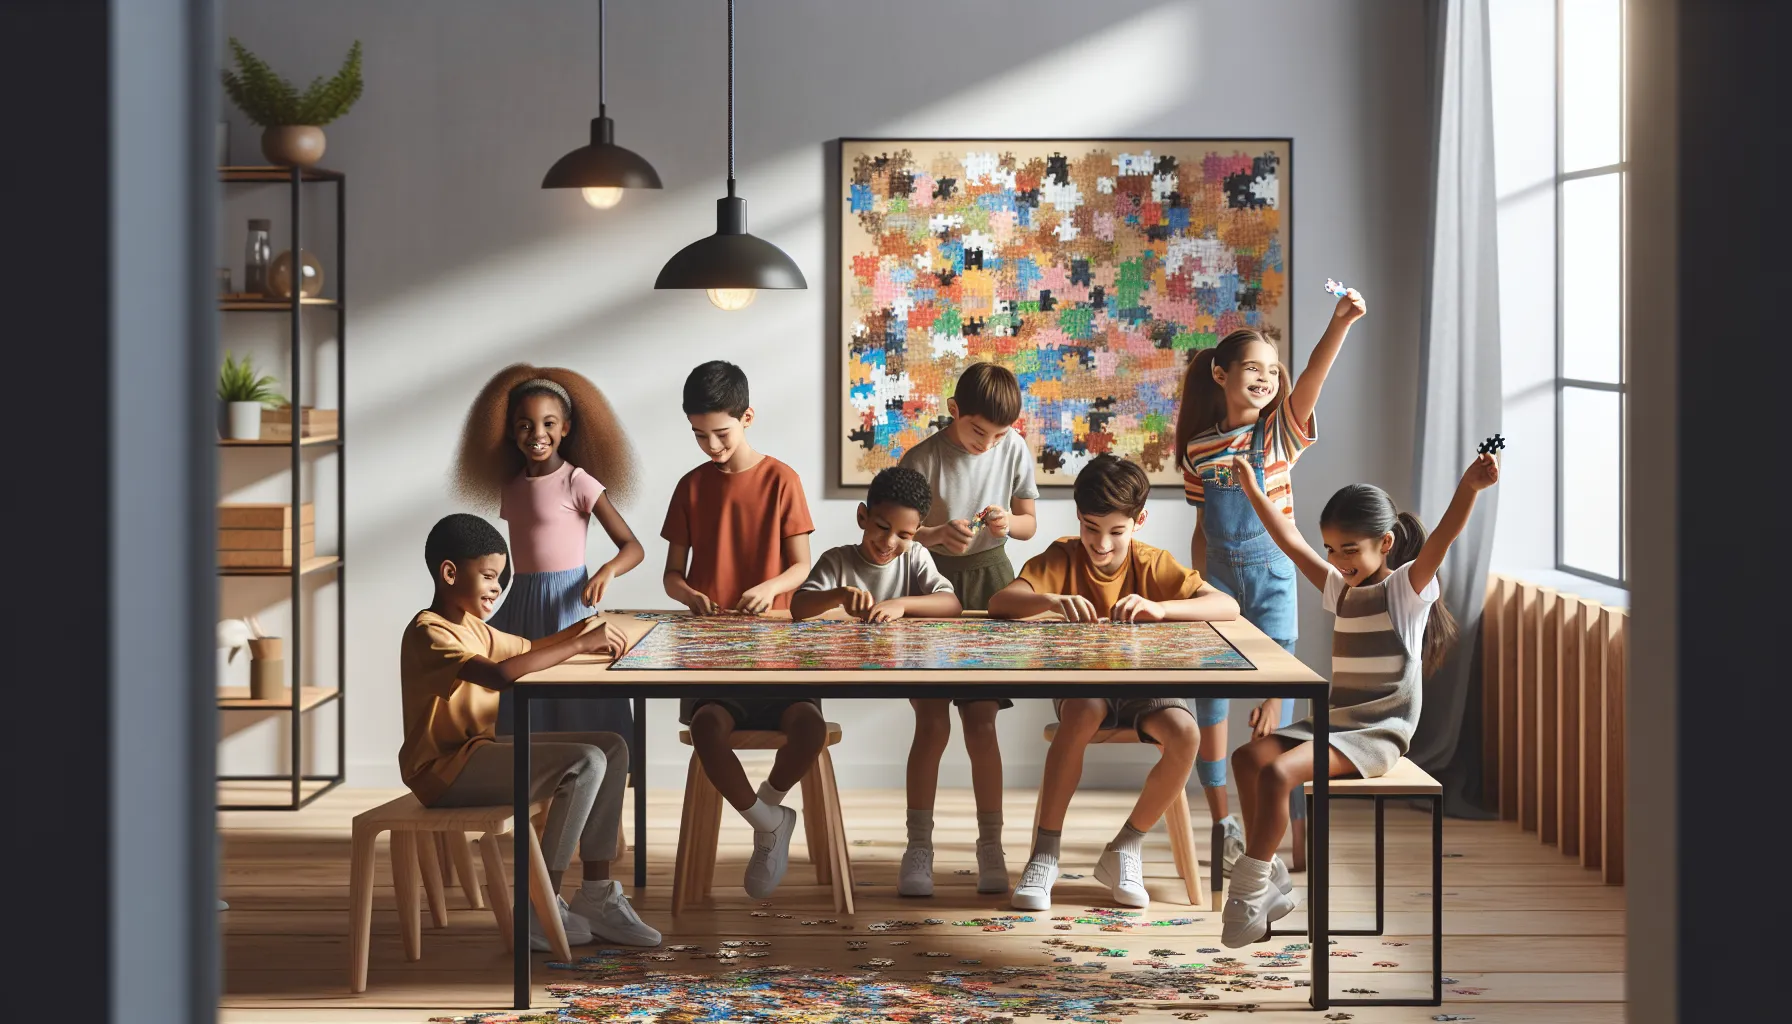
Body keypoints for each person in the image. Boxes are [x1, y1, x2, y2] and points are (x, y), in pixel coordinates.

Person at [1218, 451, 1498, 947]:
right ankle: (1271, 874)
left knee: (1279, 773)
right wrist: (1251, 489)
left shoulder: (1404, 593)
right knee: (1247, 758)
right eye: (1331, 549)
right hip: (1333, 721)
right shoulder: (1339, 589)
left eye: (1349, 550)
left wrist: (1470, 488)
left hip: (1377, 731)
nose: (1337, 561)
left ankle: (1247, 889)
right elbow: (1287, 540)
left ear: (1385, 544)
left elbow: (1442, 539)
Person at [989, 455, 1239, 911]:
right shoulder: (1062, 556)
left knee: (1186, 733)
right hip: (1086, 688)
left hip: (1146, 685)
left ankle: (1126, 845)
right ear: (1078, 520)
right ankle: (1045, 853)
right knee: (1084, 710)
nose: (1101, 543)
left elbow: (1227, 607)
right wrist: (1049, 599)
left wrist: (1162, 608)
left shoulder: (1153, 562)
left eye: (1116, 531)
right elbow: (1000, 603)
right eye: (1090, 528)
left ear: (1139, 521)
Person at [1173, 287, 1367, 874]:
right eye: (1251, 368)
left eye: (1270, 371)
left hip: (1274, 579)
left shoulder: (1278, 433)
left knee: (1272, 721)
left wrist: (1340, 322)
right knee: (1208, 705)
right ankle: (1221, 824)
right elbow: (1204, 525)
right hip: (1220, 584)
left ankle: (1281, 834)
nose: (1264, 378)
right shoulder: (1200, 448)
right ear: (1220, 373)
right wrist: (1198, 586)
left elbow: (1313, 374)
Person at [398, 514, 659, 949]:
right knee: (585, 760)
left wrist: (586, 629)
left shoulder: (473, 626)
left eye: (499, 577)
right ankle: (540, 904)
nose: (498, 587)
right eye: (488, 576)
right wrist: (576, 646)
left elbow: (530, 648)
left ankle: (596, 894)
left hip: (475, 755)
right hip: (443, 772)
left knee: (610, 746)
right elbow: (500, 675)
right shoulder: (431, 632)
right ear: (449, 573)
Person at [662, 360, 819, 898]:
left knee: (810, 729)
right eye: (699, 435)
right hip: (713, 649)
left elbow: (803, 567)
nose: (710, 445)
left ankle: (768, 812)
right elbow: (671, 577)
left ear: (747, 417)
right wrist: (690, 596)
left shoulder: (783, 480)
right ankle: (767, 825)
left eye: (721, 433)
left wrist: (772, 586)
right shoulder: (689, 487)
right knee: (707, 728)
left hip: (778, 646)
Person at [896, 361, 1039, 897]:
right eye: (981, 431)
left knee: (982, 723)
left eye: (1000, 434)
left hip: (992, 583)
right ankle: (918, 847)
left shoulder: (1013, 448)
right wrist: (933, 534)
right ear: (955, 411)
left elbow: (1028, 524)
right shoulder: (921, 458)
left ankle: (991, 846)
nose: (990, 443)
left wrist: (1008, 525)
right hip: (930, 585)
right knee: (931, 724)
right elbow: (895, 539)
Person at [454, 364, 645, 745]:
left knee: (575, 703)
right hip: (522, 603)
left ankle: (591, 776)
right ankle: (534, 789)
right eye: (525, 425)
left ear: (566, 428)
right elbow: (519, 553)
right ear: (510, 430)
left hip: (567, 604)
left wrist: (607, 571)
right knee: (521, 701)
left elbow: (633, 547)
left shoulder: (578, 481)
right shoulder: (511, 486)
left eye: (548, 423)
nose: (537, 434)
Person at [789, 466, 962, 626]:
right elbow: (798, 608)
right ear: (862, 516)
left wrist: (900, 605)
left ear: (915, 532)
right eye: (882, 527)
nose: (889, 542)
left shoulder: (915, 556)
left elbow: (952, 604)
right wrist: (839, 595)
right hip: (851, 655)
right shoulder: (836, 561)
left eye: (903, 535)